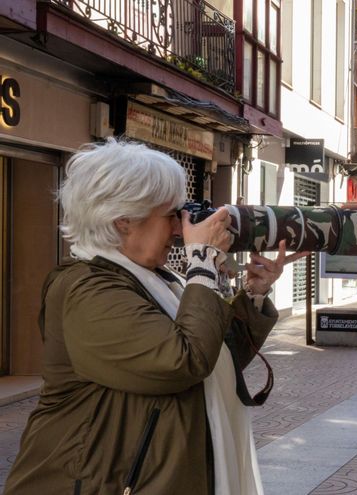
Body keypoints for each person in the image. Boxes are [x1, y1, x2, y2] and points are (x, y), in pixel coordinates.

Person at [4, 139, 302, 495]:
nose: (180, 229)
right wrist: (203, 263)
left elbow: (217, 358)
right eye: (171, 215)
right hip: (104, 483)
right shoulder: (87, 290)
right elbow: (183, 362)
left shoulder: (159, 280)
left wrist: (254, 293)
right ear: (124, 220)